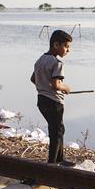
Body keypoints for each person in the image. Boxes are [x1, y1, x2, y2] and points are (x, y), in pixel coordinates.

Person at [31, 30, 73, 166]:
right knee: (57, 131)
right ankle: (52, 163)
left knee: (57, 129)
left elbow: (33, 79)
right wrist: (66, 88)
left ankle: (60, 159)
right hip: (54, 102)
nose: (68, 50)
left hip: (41, 100)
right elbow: (57, 85)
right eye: (66, 46)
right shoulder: (57, 63)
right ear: (56, 45)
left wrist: (44, 85)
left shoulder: (40, 60)